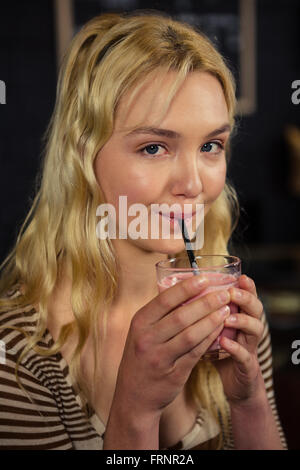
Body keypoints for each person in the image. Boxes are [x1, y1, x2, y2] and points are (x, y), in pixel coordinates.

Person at [0, 11, 287, 450]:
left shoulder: (228, 313)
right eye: (154, 147)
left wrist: (249, 404)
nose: (193, 184)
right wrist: (134, 409)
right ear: (84, 155)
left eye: (211, 146)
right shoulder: (19, 355)